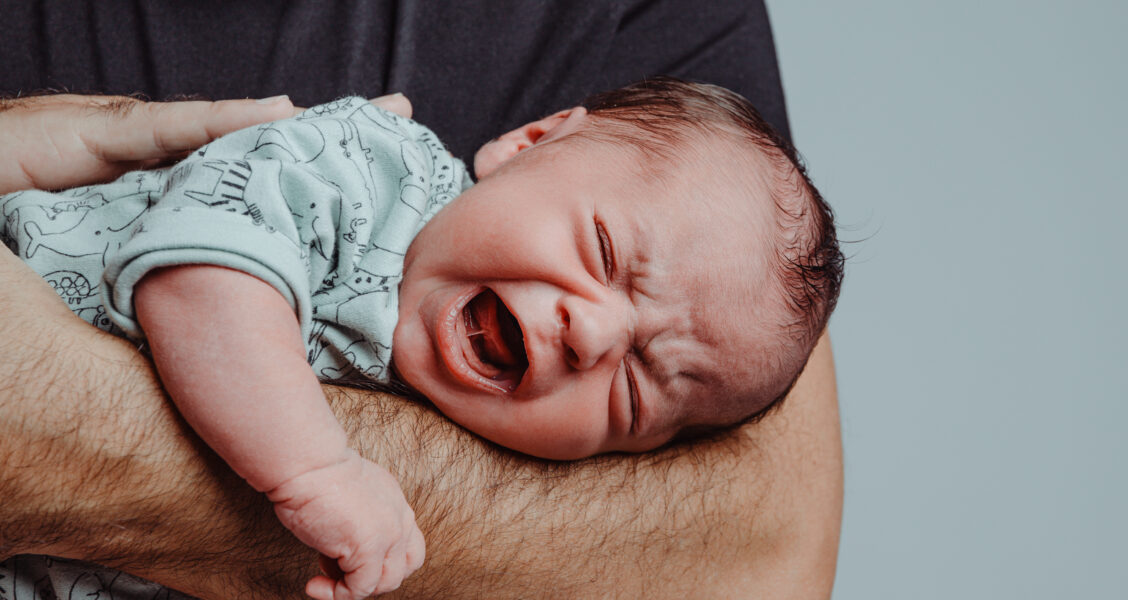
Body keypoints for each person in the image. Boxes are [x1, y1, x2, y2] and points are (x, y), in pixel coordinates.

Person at [0, 2, 844, 598]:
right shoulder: (371, 170)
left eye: (632, 389)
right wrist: (316, 471)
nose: (592, 333)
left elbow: (766, 562)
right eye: (604, 253)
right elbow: (199, 280)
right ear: (527, 144)